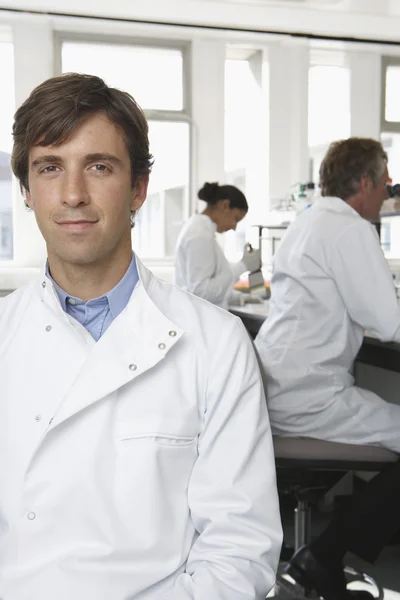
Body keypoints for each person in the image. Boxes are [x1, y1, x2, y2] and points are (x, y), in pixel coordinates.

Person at [0, 72, 282, 600]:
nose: (73, 194)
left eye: (99, 167)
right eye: (50, 168)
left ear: (138, 189)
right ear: (27, 192)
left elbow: (239, 549)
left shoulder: (216, 344)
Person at [255, 137, 400, 600]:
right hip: (311, 397)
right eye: (385, 181)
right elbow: (387, 321)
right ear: (364, 182)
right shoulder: (352, 228)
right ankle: (325, 555)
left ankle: (324, 558)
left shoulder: (311, 219)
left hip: (279, 388)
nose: (389, 190)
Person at [174, 182, 261, 308]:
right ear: (224, 205)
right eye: (235, 219)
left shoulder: (203, 231)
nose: (234, 227)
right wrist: (242, 266)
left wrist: (241, 298)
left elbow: (213, 288)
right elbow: (201, 293)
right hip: (197, 322)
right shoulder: (199, 234)